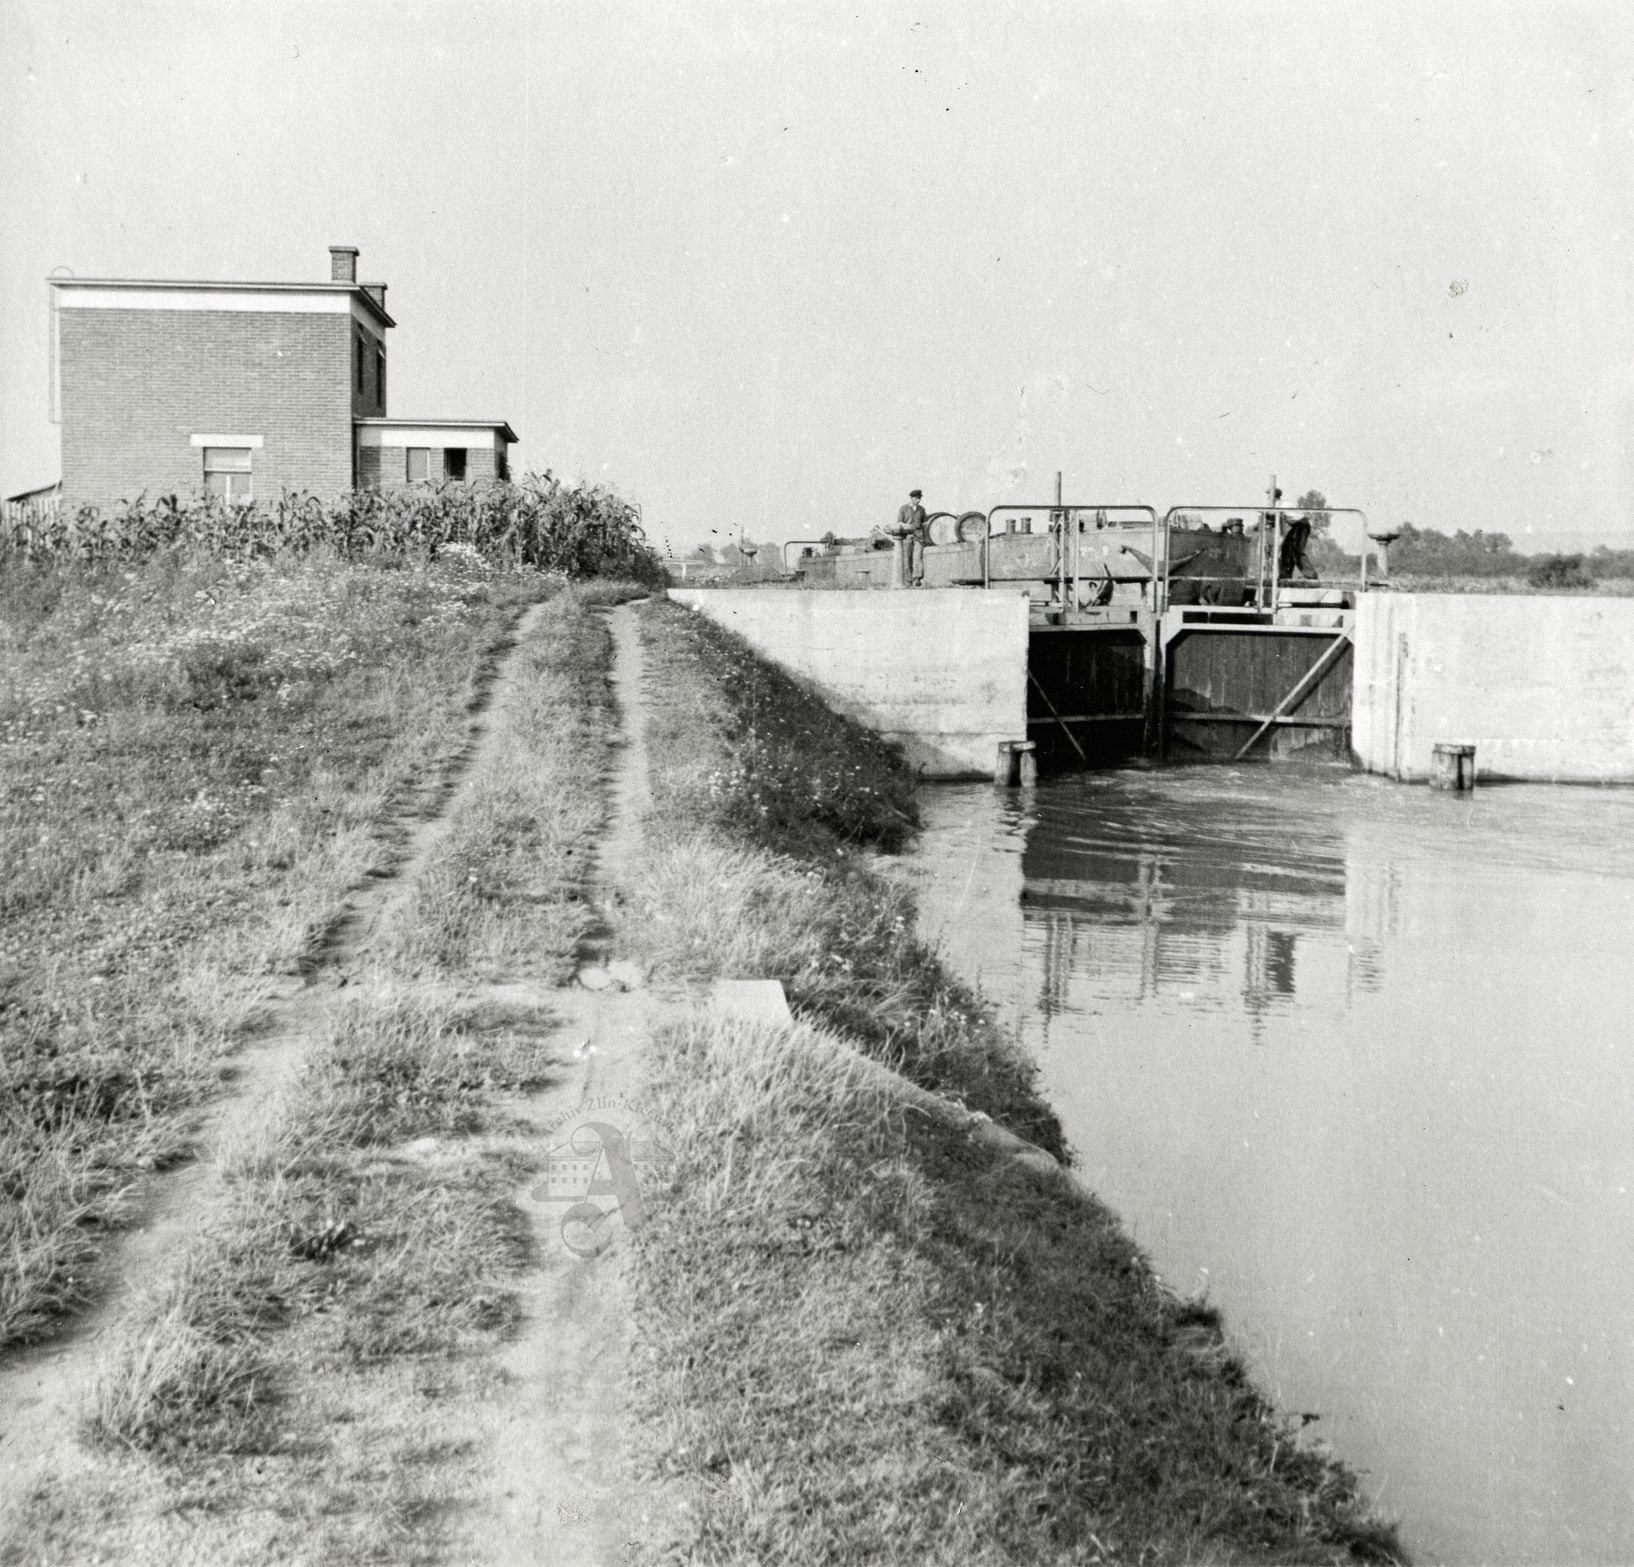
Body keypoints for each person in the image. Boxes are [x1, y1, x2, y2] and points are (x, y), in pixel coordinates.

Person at [894, 488, 928, 585]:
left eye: (919, 498)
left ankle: (917, 578)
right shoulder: (903, 509)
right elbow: (899, 522)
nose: (918, 500)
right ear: (911, 498)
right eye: (916, 498)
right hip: (907, 536)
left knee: (918, 557)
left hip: (918, 536)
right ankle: (908, 580)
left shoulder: (922, 509)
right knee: (907, 558)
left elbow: (924, 523)